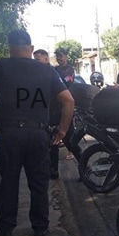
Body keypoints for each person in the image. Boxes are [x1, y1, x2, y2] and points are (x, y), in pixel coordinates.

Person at [0, 30, 74, 236]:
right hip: (38, 133)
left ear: (9, 47)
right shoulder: (47, 70)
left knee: (9, 181)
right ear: (30, 48)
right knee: (38, 182)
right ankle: (40, 228)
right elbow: (69, 100)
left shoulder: (0, 66)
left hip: (9, 134)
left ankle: (6, 227)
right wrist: (62, 130)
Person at [35, 49, 81, 179]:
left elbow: (67, 86)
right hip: (49, 112)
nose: (60, 59)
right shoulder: (42, 73)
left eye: (38, 59)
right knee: (52, 143)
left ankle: (85, 168)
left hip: (63, 111)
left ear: (46, 59)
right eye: (58, 56)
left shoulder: (62, 71)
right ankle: (53, 171)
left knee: (69, 141)